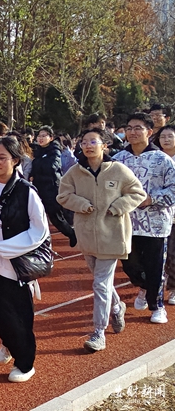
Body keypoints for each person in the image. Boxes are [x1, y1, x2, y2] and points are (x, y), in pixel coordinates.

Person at [0, 136, 50, 383]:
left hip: (15, 262)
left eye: (2, 158)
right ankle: (8, 341)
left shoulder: (26, 191)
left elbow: (39, 231)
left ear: (15, 161)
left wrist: (2, 248)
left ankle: (25, 364)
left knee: (17, 315)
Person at [57, 128, 146, 352]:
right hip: (86, 234)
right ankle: (117, 306)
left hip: (112, 235)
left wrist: (117, 207)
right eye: (84, 141)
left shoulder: (118, 169)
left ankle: (99, 332)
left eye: (93, 141)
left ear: (104, 145)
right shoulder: (75, 172)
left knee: (100, 283)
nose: (88, 145)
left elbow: (137, 193)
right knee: (102, 282)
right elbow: (63, 195)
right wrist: (81, 204)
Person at [113, 113, 175, 324]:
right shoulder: (118, 159)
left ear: (149, 132)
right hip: (125, 222)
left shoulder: (162, 159)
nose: (132, 132)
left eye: (138, 128)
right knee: (129, 264)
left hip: (155, 224)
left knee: (155, 264)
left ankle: (157, 306)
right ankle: (146, 286)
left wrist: (152, 199)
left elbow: (174, 189)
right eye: (129, 128)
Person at [30, 126, 77, 247]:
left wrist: (39, 166)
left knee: (55, 216)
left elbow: (52, 166)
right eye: (39, 136)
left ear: (50, 138)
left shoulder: (55, 150)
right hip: (38, 187)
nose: (40, 138)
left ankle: (72, 234)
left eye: (44, 135)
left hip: (51, 188)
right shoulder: (38, 151)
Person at [153, 125, 175, 305]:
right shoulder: (156, 159)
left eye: (170, 136)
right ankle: (150, 287)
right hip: (158, 213)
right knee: (160, 255)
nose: (166, 140)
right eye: (163, 137)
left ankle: (173, 288)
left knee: (173, 253)